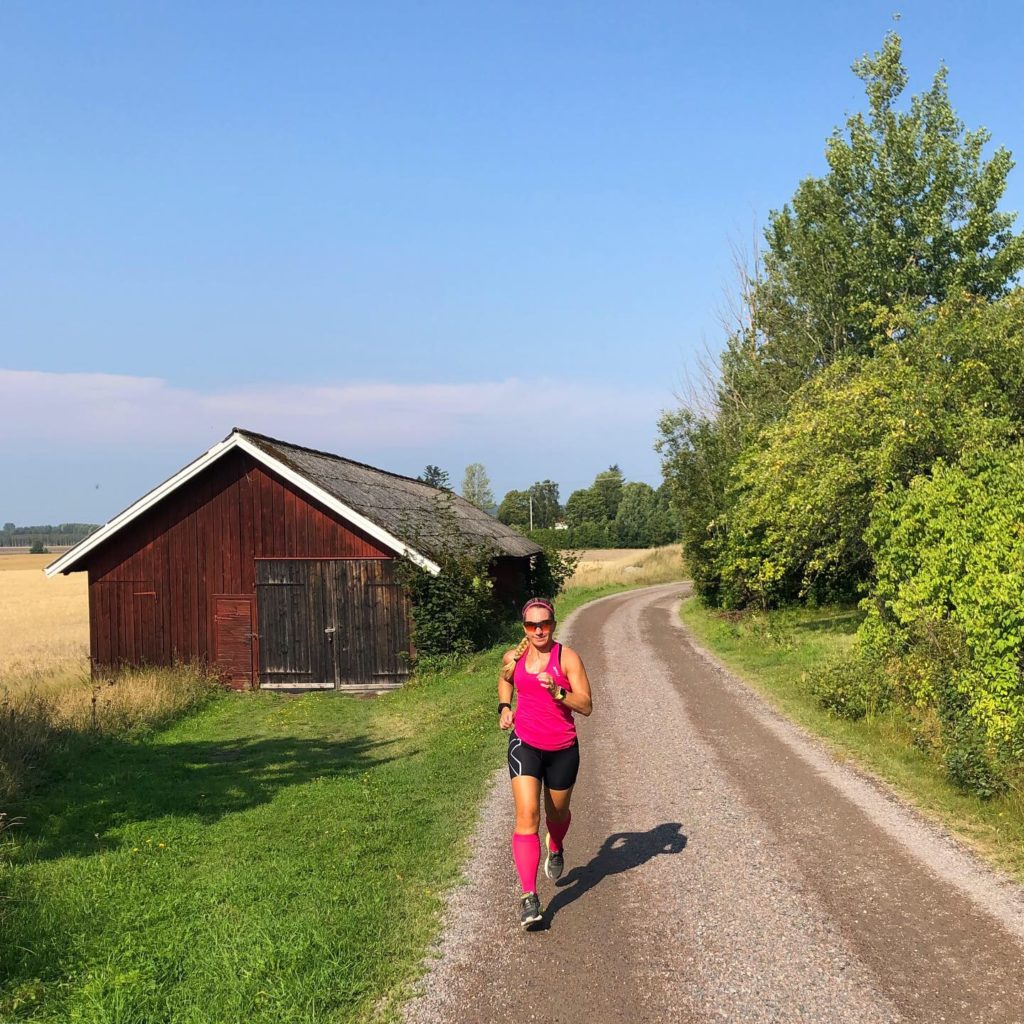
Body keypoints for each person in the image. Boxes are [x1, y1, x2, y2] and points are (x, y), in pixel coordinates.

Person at [498, 597, 593, 928]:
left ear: (554, 624)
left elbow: (586, 705)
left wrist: (558, 693)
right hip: (524, 743)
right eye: (532, 625)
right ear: (524, 627)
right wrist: (504, 707)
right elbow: (506, 679)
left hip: (562, 748)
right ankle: (529, 898)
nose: (539, 630)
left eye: (545, 624)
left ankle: (557, 844)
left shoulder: (567, 659)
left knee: (557, 814)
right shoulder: (515, 656)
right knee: (527, 815)